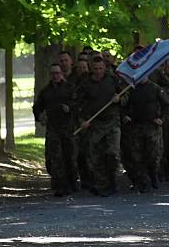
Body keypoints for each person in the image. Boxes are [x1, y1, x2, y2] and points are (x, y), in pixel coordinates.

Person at [77, 56, 123, 196]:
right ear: (91, 69)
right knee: (96, 156)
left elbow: (125, 95)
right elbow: (78, 104)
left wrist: (119, 98)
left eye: (101, 68)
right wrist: (82, 120)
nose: (98, 71)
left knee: (112, 153)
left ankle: (113, 180)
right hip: (95, 124)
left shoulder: (113, 80)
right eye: (95, 69)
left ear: (105, 68)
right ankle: (103, 184)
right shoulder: (85, 84)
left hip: (112, 122)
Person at [32, 63, 78, 196]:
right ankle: (60, 185)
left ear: (61, 74)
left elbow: (78, 104)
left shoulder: (70, 88)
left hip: (68, 128)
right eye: (53, 74)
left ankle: (72, 181)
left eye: (57, 73)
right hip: (53, 128)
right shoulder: (46, 91)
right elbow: (37, 107)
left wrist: (69, 108)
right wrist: (40, 116)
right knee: (55, 158)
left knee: (69, 157)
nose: (55, 76)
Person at [123, 76, 169, 192]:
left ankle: (153, 174)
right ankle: (143, 181)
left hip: (151, 126)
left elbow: (166, 105)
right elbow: (123, 105)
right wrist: (125, 115)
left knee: (153, 155)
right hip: (135, 125)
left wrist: (162, 118)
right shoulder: (130, 89)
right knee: (136, 156)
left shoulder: (155, 88)